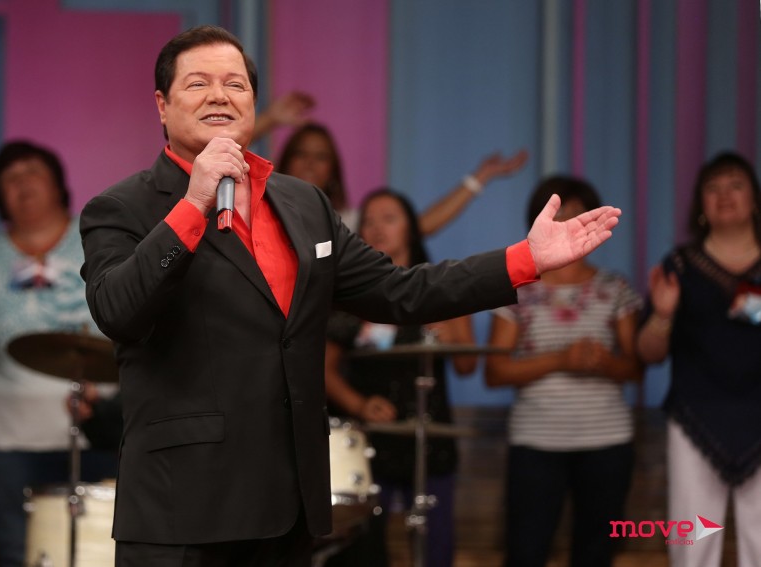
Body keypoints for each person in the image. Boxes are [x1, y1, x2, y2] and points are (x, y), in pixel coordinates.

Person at [78, 25, 621, 566]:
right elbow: (118, 311)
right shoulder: (121, 208)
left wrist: (526, 259)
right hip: (182, 509)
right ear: (162, 105)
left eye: (235, 84)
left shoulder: (303, 204)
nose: (219, 95)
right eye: (198, 83)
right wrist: (193, 205)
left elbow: (400, 290)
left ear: (252, 101)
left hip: (286, 506)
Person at [0, 140, 117, 567]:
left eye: (33, 172)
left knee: (99, 551)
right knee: (18, 553)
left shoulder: (97, 241)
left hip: (96, 429)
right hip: (5, 436)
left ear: (58, 185)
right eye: (10, 178)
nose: (23, 183)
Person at [484, 176, 643, 567]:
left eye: (578, 213)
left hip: (607, 439)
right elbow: (495, 372)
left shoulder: (615, 286)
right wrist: (561, 359)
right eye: (559, 214)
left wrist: (604, 362)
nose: (569, 222)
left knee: (596, 552)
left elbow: (637, 368)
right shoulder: (517, 288)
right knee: (526, 551)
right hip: (536, 440)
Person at [323, 188, 479, 567]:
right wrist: (360, 404)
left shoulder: (440, 285)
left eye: (389, 218)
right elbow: (321, 369)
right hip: (370, 442)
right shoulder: (351, 295)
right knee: (365, 550)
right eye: (369, 221)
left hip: (429, 438)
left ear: (411, 228)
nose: (377, 228)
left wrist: (453, 334)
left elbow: (468, 366)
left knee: (434, 548)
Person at [636, 151, 761, 567]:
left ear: (754, 200)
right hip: (696, 419)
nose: (724, 195)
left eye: (736, 185)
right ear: (701, 205)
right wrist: (663, 315)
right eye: (713, 188)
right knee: (692, 543)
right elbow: (647, 354)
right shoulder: (679, 265)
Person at [276, 122, 528, 233]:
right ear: (285, 161)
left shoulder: (348, 224)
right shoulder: (262, 211)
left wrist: (479, 177)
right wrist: (269, 120)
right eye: (301, 154)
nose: (310, 163)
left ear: (333, 172)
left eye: (321, 157)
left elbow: (417, 228)